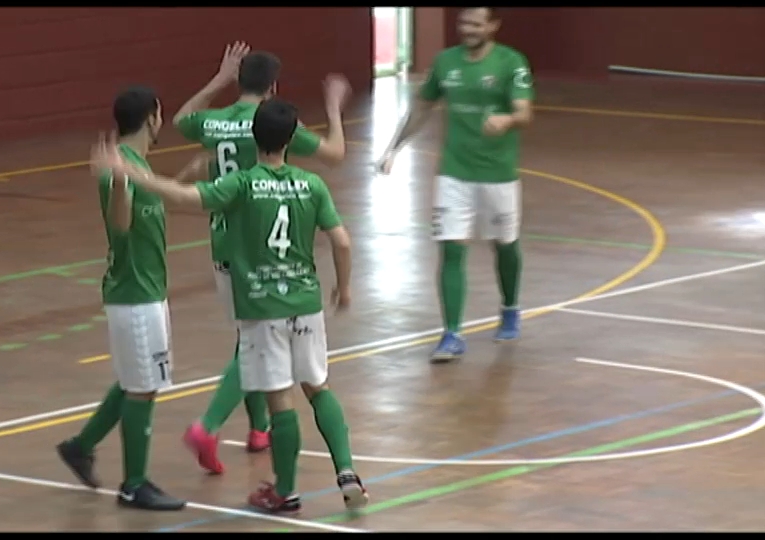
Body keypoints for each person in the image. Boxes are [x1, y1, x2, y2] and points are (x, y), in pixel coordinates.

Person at [90, 97, 369, 515]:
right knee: (317, 385)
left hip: (261, 305)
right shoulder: (313, 185)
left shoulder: (241, 185)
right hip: (305, 302)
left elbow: (183, 198)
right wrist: (343, 289)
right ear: (292, 139)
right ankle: (346, 472)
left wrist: (132, 175)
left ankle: (285, 491)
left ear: (254, 137)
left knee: (280, 401)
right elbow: (342, 241)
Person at [170, 43, 350, 475]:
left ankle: (258, 428)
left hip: (222, 242)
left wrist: (218, 79)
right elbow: (335, 154)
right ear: (273, 87)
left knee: (249, 335)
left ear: (239, 79)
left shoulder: (214, 121)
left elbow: (178, 121)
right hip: (263, 249)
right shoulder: (271, 121)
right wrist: (333, 106)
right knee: (253, 342)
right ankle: (208, 425)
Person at [376, 7, 535, 363]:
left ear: (492, 26)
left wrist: (506, 119)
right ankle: (452, 333)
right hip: (453, 171)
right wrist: (393, 149)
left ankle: (510, 307)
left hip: (498, 173)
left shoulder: (511, 62)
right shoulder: (445, 62)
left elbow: (525, 112)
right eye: (465, 23)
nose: (469, 29)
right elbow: (422, 107)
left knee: (505, 245)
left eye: (477, 24)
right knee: (450, 249)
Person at [55, 85, 186, 512]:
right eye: (160, 114)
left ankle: (80, 446)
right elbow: (122, 224)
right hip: (134, 294)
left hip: (147, 290)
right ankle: (134, 485)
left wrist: (178, 180)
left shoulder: (136, 165)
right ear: (151, 118)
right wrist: (119, 184)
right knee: (143, 388)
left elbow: (147, 204)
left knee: (136, 381)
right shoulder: (121, 168)